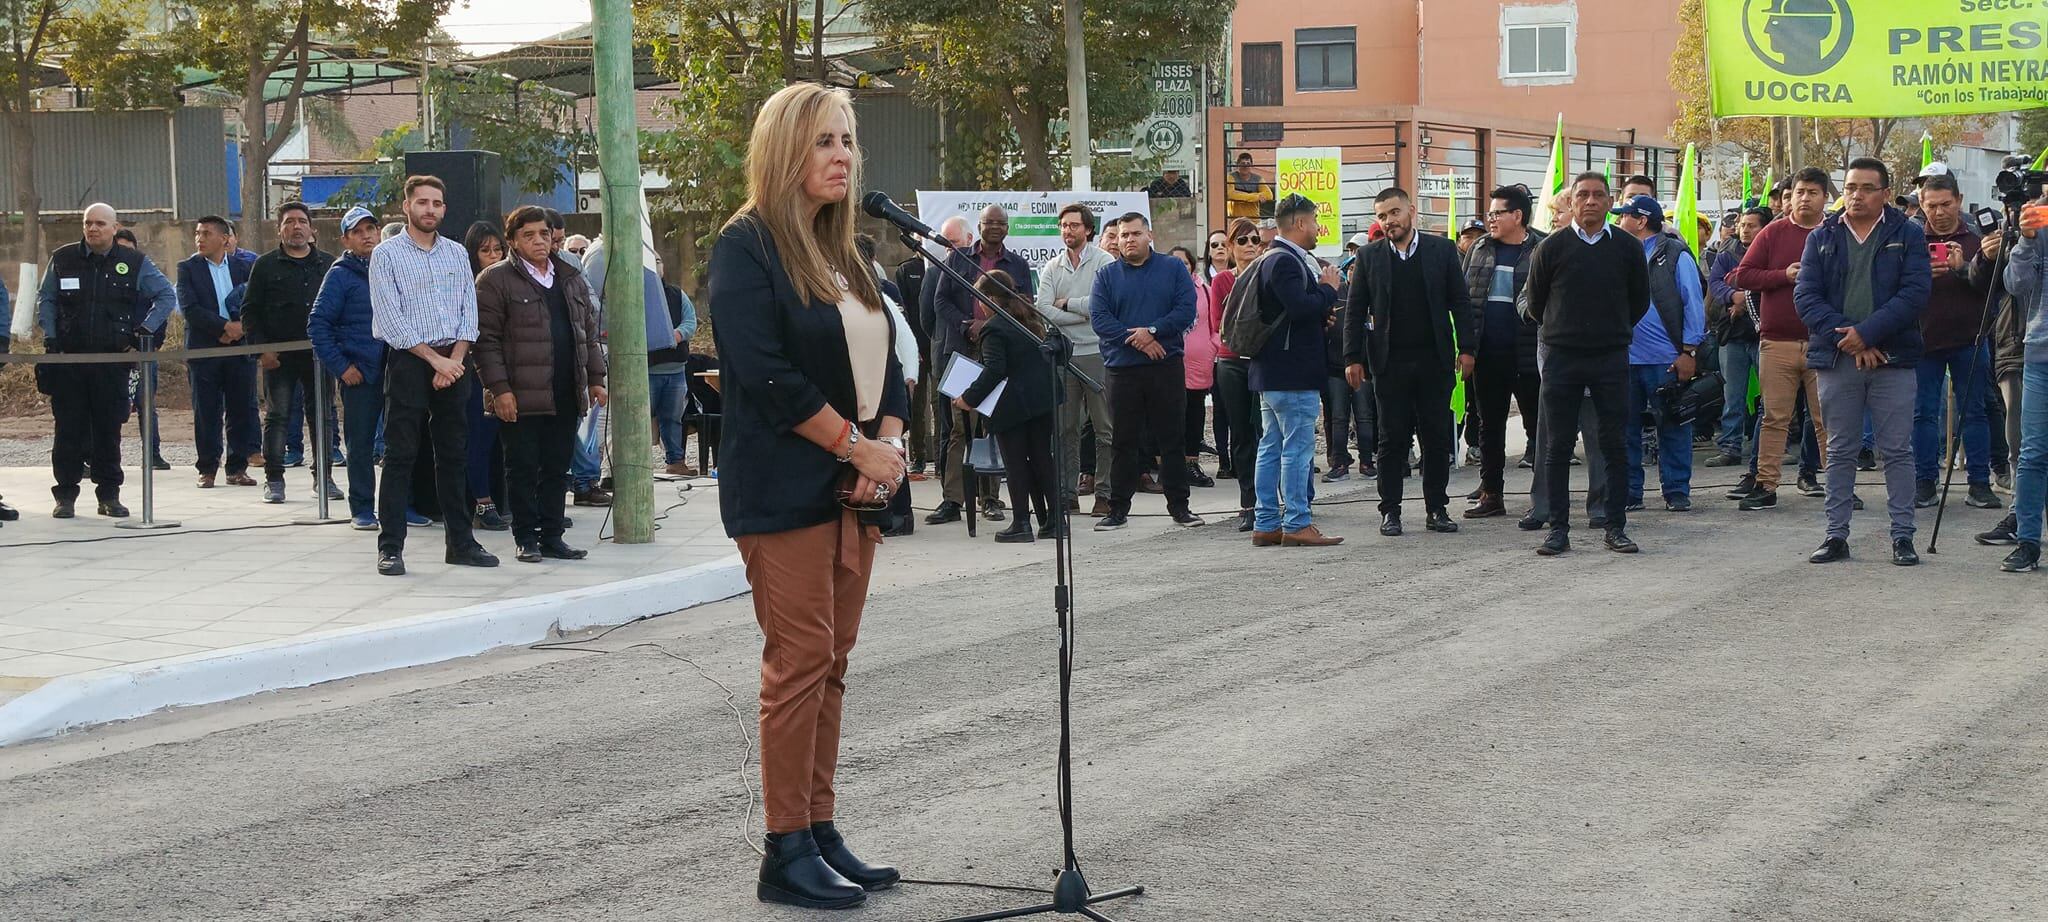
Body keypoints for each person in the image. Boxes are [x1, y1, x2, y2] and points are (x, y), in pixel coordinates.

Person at [707, 82, 907, 910]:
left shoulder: (847, 248)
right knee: (798, 666)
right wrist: (852, 443)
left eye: (849, 141)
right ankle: (783, 849)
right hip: (784, 485)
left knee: (832, 666)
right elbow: (764, 373)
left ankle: (820, 831)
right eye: (825, 141)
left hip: (855, 487)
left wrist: (886, 445)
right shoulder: (745, 246)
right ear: (786, 150)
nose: (843, 156)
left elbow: (889, 361)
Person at [1796, 157, 1932, 566]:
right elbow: (1806, 297)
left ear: (1885, 193)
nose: (1856, 195)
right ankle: (1835, 535)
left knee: (1896, 450)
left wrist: (1868, 333)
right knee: (1839, 449)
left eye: (1866, 188)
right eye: (1851, 187)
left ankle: (1902, 537)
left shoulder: (1907, 234)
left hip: (1893, 357)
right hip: (1838, 357)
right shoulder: (1823, 236)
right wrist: (1852, 340)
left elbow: (1914, 294)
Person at [370, 175, 498, 576]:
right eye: (422, 202)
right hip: (410, 360)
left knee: (454, 455)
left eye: (437, 203)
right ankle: (390, 547)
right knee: (400, 454)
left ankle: (460, 542)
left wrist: (455, 359)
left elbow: (468, 312)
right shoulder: (386, 255)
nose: (430, 210)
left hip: (455, 360)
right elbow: (390, 320)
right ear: (406, 206)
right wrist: (434, 362)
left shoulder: (457, 253)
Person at [1521, 172, 1649, 556]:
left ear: (1610, 202)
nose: (1590, 201)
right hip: (1563, 357)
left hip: (1610, 356)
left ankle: (1615, 526)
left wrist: (1612, 330)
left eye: (1598, 195)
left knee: (1613, 444)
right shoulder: (1551, 248)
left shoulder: (1627, 248)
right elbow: (1536, 304)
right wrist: (1564, 329)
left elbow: (1639, 301)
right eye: (1582, 195)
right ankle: (1558, 529)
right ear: (1571, 202)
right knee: (1557, 447)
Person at [475, 205, 607, 563]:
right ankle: (525, 537)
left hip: (565, 389)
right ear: (513, 240)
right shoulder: (495, 280)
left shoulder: (570, 277)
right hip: (519, 394)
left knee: (556, 467)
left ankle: (552, 535)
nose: (538, 241)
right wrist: (499, 390)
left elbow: (587, 335)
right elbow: (485, 342)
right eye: (528, 235)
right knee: (521, 467)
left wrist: (596, 379)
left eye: (544, 234)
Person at [1344, 187, 1477, 537]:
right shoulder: (1370, 257)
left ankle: (1437, 508)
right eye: (1383, 216)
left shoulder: (1442, 250)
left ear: (1411, 211)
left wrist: (1467, 349)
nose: (1390, 221)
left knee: (1436, 438)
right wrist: (1352, 357)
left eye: (1394, 212)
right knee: (1392, 439)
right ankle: (1390, 511)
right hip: (1389, 364)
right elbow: (1355, 310)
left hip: (1434, 360)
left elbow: (1460, 303)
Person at [35, 202, 176, 518]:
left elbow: (166, 296)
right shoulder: (63, 258)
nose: (93, 228)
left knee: (108, 430)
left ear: (114, 228)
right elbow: (47, 298)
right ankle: (66, 496)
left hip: (112, 362)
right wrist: (51, 338)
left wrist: (142, 332)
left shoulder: (134, 262)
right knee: (68, 431)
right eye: (88, 223)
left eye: (100, 223)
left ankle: (109, 495)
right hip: (69, 360)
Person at [1729, 168, 1835, 511]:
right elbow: (1742, 275)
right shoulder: (1773, 232)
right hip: (1777, 343)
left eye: (1813, 192)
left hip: (1825, 342)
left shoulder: (1836, 232)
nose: (1805, 198)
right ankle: (1765, 484)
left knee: (1827, 419)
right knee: (1774, 417)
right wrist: (1782, 275)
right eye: (1800, 191)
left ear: (1825, 197)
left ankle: (1838, 484)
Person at [1090, 212, 1203, 530]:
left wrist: (1153, 330)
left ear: (1149, 235)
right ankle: (1117, 509)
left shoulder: (1172, 269)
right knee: (1123, 442)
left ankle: (1180, 508)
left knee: (1172, 439)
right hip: (1123, 371)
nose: (1128, 240)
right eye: (1123, 235)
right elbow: (1100, 319)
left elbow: (1185, 309)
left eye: (1135, 233)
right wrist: (1139, 340)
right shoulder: (1106, 276)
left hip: (1164, 367)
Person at [1250, 193, 1344, 546]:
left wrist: (1320, 310)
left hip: (1275, 371)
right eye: (1316, 221)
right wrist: (1327, 291)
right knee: (1296, 450)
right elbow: (1299, 307)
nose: (1319, 228)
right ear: (1300, 223)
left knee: (1272, 446)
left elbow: (1292, 313)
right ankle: (1296, 522)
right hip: (1291, 372)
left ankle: (1267, 522)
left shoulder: (1274, 258)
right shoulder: (1285, 261)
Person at [930, 205, 1033, 524]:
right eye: (989, 223)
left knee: (991, 424)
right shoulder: (958, 259)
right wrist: (966, 324)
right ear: (981, 225)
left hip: (998, 352)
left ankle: (991, 498)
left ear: (1007, 228)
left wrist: (992, 326)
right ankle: (953, 500)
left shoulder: (1017, 264)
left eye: (1001, 223)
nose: (995, 228)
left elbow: (1027, 304)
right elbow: (940, 301)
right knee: (959, 427)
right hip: (962, 351)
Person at [1612, 194, 1707, 513]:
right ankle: (1629, 491)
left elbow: (1693, 301)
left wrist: (1689, 351)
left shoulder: (1675, 254)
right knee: (1624, 429)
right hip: (1623, 360)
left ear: (1640, 221)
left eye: (1623, 215)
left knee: (1674, 424)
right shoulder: (1618, 253)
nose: (1617, 221)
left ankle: (1677, 490)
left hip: (1667, 360)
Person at [1912, 173, 2000, 510]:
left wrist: (1965, 268)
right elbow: (1896, 288)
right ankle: (1924, 482)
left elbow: (1995, 288)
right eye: (1931, 205)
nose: (1939, 212)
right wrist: (1922, 276)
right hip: (1923, 341)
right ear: (1921, 205)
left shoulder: (1980, 238)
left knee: (1973, 412)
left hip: (1971, 339)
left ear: (1959, 200)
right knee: (1922, 414)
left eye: (1946, 204)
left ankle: (1979, 483)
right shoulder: (1909, 240)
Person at [242, 201, 340, 505]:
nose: (296, 227)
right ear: (279, 229)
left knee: (323, 417)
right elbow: (250, 311)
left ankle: (323, 477)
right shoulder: (266, 264)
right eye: (289, 222)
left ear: (312, 229)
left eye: (301, 221)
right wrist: (262, 350)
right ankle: (273, 479)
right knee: (278, 416)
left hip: (320, 355)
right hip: (279, 357)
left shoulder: (328, 264)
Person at [1463, 184, 1546, 518]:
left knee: (1538, 427)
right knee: (1489, 425)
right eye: (1490, 213)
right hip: (1488, 355)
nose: (1491, 219)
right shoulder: (1480, 248)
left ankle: (1544, 497)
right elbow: (1465, 298)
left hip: (1529, 355)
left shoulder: (1543, 249)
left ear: (1518, 216)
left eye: (1497, 213)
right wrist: (1467, 347)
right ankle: (1491, 494)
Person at [957, 270, 1058, 542]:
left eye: (979, 298)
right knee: (1042, 458)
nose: (978, 304)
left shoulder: (993, 327)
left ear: (989, 299)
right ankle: (1056, 522)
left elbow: (994, 369)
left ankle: (1022, 524)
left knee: (1015, 464)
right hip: (1042, 399)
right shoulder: (1029, 317)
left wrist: (968, 398)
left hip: (1013, 405)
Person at [1036, 203, 1117, 515]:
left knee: (1104, 429)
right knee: (1065, 429)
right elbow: (1043, 309)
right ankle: (1067, 494)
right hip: (1065, 356)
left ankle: (1104, 494)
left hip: (1098, 352)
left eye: (1073, 225)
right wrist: (1080, 313)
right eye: (1063, 226)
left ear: (1088, 229)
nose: (1067, 231)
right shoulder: (1052, 267)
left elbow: (1102, 307)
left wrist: (1068, 303)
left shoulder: (1105, 262)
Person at [309, 206, 386, 530]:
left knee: (402, 443)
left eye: (371, 228)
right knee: (361, 444)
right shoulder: (340, 275)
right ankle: (363, 508)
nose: (367, 235)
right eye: (358, 231)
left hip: (397, 370)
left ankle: (403, 504)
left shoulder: (391, 267)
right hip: (361, 374)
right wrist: (342, 367)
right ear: (346, 238)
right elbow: (318, 325)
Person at [177, 214, 260, 489]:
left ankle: (237, 467)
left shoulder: (243, 267)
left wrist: (240, 328)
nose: (200, 238)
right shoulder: (187, 268)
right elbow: (190, 309)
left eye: (207, 233)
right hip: (205, 349)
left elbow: (256, 303)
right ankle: (207, 467)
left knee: (240, 409)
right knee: (207, 410)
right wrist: (224, 327)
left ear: (225, 239)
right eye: (198, 233)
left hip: (239, 348)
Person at [1995, 189, 2048, 572]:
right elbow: (2016, 284)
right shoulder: (2040, 224)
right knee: (2032, 453)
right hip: (2041, 353)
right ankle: (2028, 541)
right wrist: (2025, 239)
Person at [1211, 217, 1266, 530]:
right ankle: (1248, 502)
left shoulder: (1268, 274)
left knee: (1266, 433)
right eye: (1242, 241)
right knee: (1242, 434)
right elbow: (1220, 325)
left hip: (1262, 360)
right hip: (1232, 362)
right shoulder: (1222, 281)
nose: (1249, 246)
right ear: (1230, 247)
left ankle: (1270, 500)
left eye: (1254, 240)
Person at [1706, 207, 1768, 479]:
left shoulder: (1771, 251)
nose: (1745, 230)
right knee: (1733, 395)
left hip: (1764, 336)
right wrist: (1734, 297)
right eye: (1743, 225)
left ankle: (1767, 447)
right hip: (1732, 335)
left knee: (1772, 398)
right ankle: (1730, 446)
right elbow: (1716, 284)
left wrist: (1748, 297)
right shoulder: (1726, 254)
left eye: (1752, 225)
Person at [461, 221, 512, 531]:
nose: (493, 256)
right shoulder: (466, 284)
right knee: (479, 439)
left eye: (498, 249)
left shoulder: (513, 281)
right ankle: (481, 502)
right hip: (476, 370)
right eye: (485, 250)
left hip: (511, 368)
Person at [113, 226, 172, 472]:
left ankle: (152, 453)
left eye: (130, 251)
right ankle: (101, 457)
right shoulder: (108, 281)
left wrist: (148, 340)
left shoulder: (145, 280)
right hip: (113, 353)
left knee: (146, 405)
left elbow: (162, 309)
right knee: (110, 406)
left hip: (144, 353)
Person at [649, 254, 702, 476]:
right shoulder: (635, 294)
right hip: (647, 371)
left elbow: (690, 321)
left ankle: (676, 462)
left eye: (659, 260)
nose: (656, 263)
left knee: (673, 418)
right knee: (640, 420)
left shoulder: (676, 294)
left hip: (676, 370)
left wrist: (675, 335)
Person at [1179, 246, 1219, 487]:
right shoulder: (1164, 289)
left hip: (1198, 364)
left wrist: (1212, 346)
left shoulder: (1204, 289)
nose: (1180, 267)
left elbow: (1215, 323)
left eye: (1184, 262)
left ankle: (1191, 463)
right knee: (1172, 416)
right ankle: (1170, 467)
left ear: (1192, 265)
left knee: (1195, 413)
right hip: (1170, 362)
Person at [1226, 152, 1273, 220]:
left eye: (1248, 164)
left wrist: (1239, 195)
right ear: (1237, 165)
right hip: (1236, 220)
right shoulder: (1231, 177)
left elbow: (1269, 195)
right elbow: (1230, 194)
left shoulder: (1258, 179)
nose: (1245, 166)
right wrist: (1256, 196)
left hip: (1253, 220)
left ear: (1251, 165)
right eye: (1242, 164)